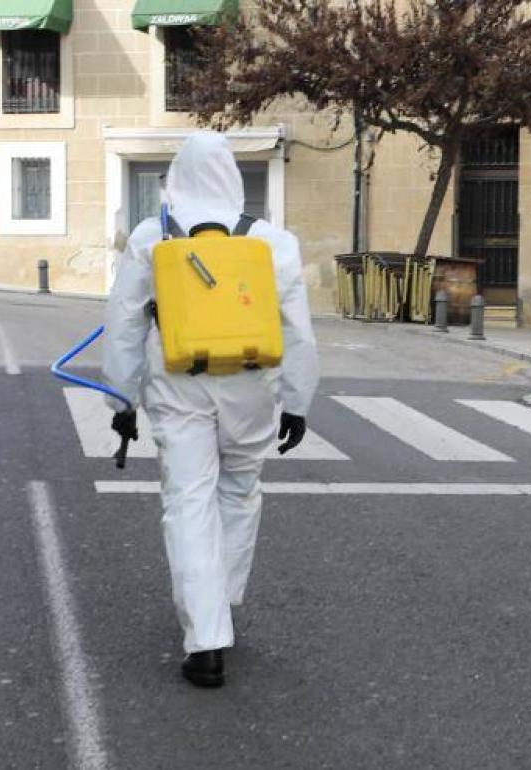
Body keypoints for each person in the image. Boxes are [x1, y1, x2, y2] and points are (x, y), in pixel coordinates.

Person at [102, 132, 319, 688]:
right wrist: (297, 402)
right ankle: (220, 603)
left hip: (179, 386)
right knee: (240, 491)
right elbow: (297, 329)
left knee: (188, 500)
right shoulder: (272, 240)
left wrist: (121, 398)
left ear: (176, 176)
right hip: (253, 385)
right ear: (231, 177)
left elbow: (126, 323)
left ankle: (206, 638)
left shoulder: (153, 236)